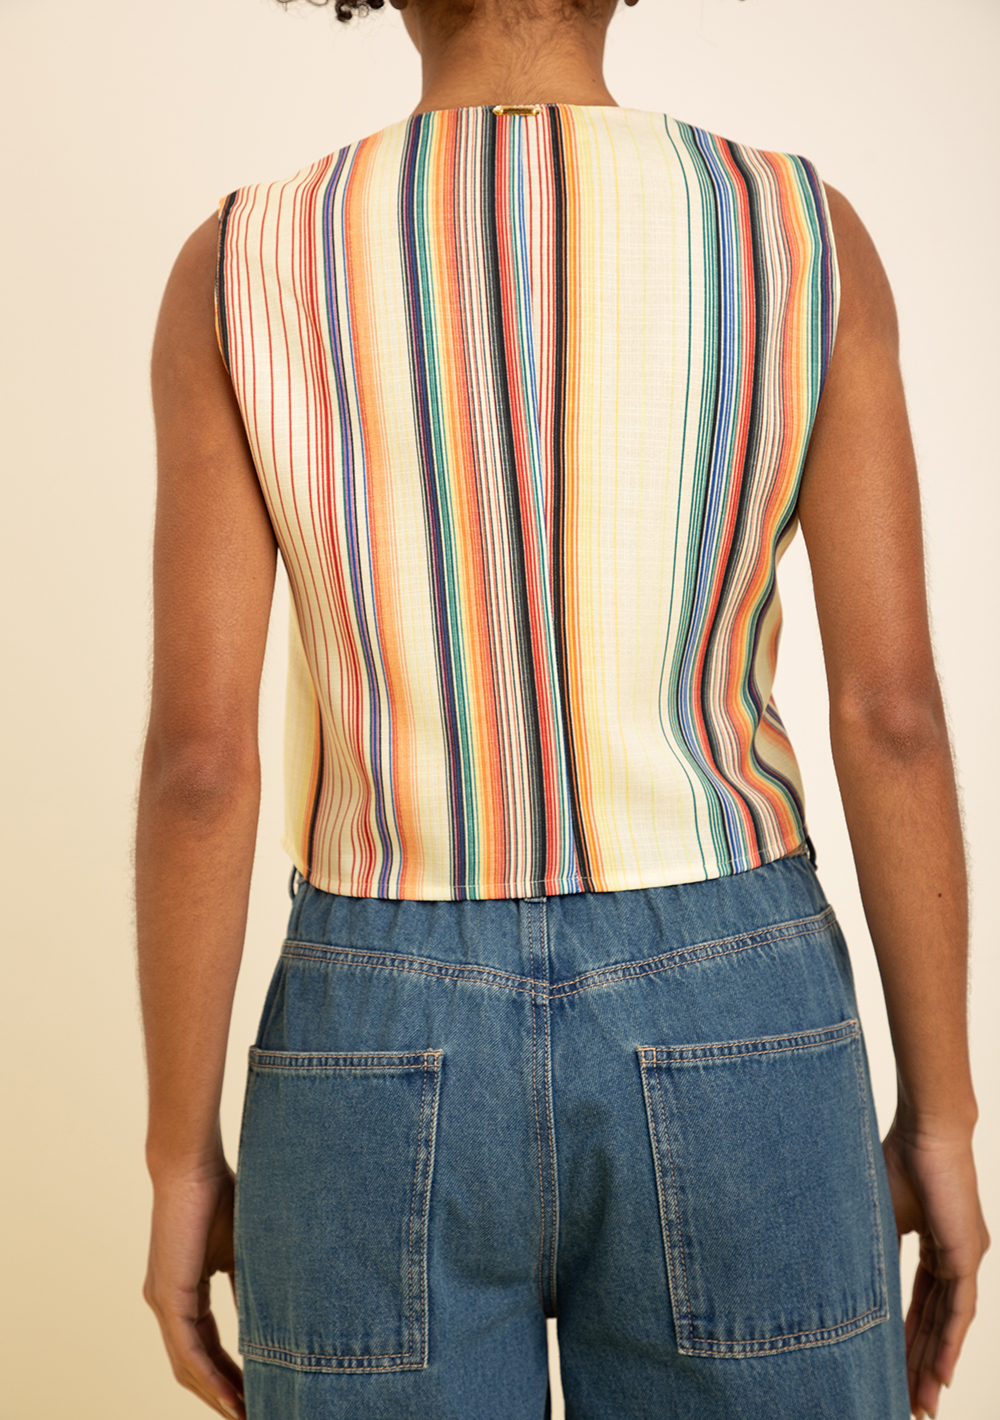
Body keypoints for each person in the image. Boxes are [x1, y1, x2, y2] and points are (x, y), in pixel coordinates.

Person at [136, 1, 989, 1417]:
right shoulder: (798, 233)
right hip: (736, 1003)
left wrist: (181, 1163)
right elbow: (892, 713)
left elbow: (201, 767)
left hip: (372, 1026)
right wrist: (943, 1121)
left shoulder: (243, 259)